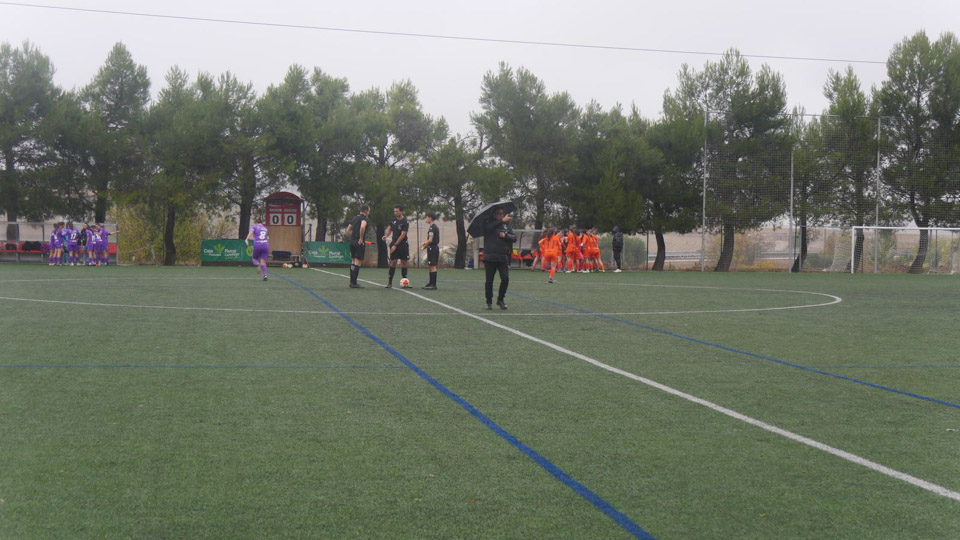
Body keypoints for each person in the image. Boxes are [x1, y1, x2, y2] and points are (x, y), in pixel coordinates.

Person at [482, 207, 516, 310]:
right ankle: (489, 301)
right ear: (494, 214)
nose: (500, 215)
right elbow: (488, 229)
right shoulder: (488, 223)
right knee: (489, 281)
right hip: (490, 257)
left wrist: (505, 235)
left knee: (505, 279)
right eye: (498, 213)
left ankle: (500, 299)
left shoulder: (506, 225)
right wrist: (501, 221)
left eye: (502, 213)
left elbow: (514, 238)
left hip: (503, 257)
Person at [382, 204, 410, 288]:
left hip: (403, 245)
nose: (395, 213)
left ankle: (405, 282)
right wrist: (386, 235)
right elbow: (390, 229)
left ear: (401, 212)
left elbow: (403, 235)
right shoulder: (393, 220)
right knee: (393, 262)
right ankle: (389, 282)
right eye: (394, 211)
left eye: (397, 211)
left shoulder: (405, 222)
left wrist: (396, 245)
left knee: (403, 262)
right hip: (394, 243)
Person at [345, 204, 370, 288]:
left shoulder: (355, 218)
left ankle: (351, 282)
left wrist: (354, 236)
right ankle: (354, 283)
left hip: (352, 241)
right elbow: (362, 227)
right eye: (369, 210)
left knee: (353, 261)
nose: (369, 212)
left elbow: (348, 229)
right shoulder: (364, 218)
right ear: (366, 210)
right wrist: (361, 238)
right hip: (359, 243)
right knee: (358, 262)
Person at [420, 211, 440, 290]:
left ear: (430, 218)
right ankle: (430, 283)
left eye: (426, 217)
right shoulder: (433, 227)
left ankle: (433, 285)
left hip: (433, 248)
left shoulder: (432, 228)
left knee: (433, 266)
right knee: (431, 266)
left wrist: (424, 245)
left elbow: (430, 240)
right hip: (432, 248)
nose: (426, 219)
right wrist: (426, 244)